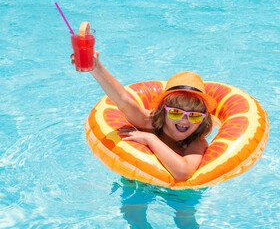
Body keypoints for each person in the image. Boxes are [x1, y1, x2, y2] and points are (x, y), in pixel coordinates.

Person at [71, 51, 217, 182]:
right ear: (163, 111)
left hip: (179, 194)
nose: (184, 120)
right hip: (139, 180)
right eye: (176, 112)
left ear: (204, 118)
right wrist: (95, 67)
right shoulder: (147, 121)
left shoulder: (196, 143)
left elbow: (182, 173)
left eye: (194, 116)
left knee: (186, 211)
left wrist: (150, 139)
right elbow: (122, 99)